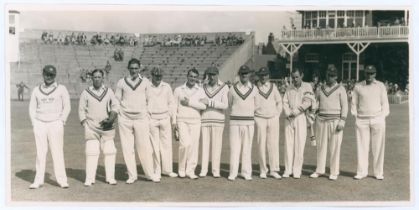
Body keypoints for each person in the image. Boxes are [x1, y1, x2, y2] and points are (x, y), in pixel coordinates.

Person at [115, 58, 159, 183]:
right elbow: (117, 99)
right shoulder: (121, 82)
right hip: (125, 118)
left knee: (144, 147)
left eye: (136, 68)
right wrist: (119, 113)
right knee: (127, 148)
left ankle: (149, 174)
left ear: (139, 68)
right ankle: (132, 175)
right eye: (132, 68)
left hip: (141, 118)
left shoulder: (145, 82)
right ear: (128, 68)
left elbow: (150, 99)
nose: (134, 70)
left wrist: (147, 113)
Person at [28, 65, 71, 189]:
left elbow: (67, 106)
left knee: (57, 151)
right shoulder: (36, 90)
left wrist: (62, 120)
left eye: (51, 75)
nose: (49, 77)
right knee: (40, 152)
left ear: (55, 75)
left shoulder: (61, 89)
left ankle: (62, 180)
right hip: (40, 123)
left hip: (55, 123)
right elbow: (32, 108)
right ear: (43, 74)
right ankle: (38, 180)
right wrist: (34, 122)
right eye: (47, 74)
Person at [78, 69, 119, 186]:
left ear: (103, 78)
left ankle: (110, 178)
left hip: (107, 127)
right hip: (91, 127)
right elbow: (81, 110)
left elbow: (115, 106)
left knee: (110, 151)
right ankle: (90, 178)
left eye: (99, 77)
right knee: (91, 152)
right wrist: (85, 123)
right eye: (94, 77)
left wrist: (111, 118)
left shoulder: (109, 91)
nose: (97, 79)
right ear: (91, 78)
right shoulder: (86, 92)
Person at [351, 65, 389, 180]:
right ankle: (362, 172)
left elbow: (385, 104)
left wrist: (382, 117)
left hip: (378, 119)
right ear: (364, 73)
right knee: (362, 147)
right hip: (362, 120)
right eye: (367, 73)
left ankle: (378, 173)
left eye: (372, 73)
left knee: (378, 147)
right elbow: (354, 104)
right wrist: (356, 117)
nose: (369, 76)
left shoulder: (381, 86)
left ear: (375, 74)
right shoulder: (358, 86)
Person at [310, 66, 348, 180]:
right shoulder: (320, 88)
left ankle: (334, 171)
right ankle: (320, 170)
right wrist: (312, 112)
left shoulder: (341, 89)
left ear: (336, 76)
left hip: (335, 121)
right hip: (321, 120)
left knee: (334, 147)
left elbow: (345, 106)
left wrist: (343, 120)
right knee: (321, 146)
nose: (329, 78)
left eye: (332, 76)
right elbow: (316, 103)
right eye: (328, 75)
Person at [173, 68, 207, 179]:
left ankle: (190, 170)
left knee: (193, 146)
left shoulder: (201, 90)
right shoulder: (178, 90)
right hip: (182, 120)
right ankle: (181, 169)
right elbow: (174, 107)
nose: (193, 78)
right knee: (185, 144)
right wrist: (174, 122)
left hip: (196, 121)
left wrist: (189, 103)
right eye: (191, 76)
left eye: (195, 77)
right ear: (187, 76)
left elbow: (203, 106)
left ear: (197, 78)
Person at [283, 68, 315, 179]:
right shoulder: (289, 88)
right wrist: (288, 112)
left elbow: (308, 102)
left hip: (300, 117)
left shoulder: (307, 87)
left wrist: (295, 112)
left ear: (301, 75)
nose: (295, 79)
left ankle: (297, 170)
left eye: (297, 77)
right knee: (288, 144)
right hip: (289, 118)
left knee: (299, 145)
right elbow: (285, 102)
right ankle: (288, 170)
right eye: (293, 77)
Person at [227, 65, 258, 181]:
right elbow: (230, 104)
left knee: (247, 148)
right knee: (235, 148)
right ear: (239, 75)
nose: (244, 75)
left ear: (249, 74)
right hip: (235, 122)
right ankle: (233, 173)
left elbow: (256, 105)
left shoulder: (254, 89)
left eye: (246, 73)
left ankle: (246, 172)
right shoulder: (232, 89)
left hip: (249, 123)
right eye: (242, 73)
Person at [146, 67, 178, 179]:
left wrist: (172, 119)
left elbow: (172, 103)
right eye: (156, 76)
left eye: (160, 76)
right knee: (155, 146)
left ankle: (167, 170)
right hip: (152, 119)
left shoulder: (167, 87)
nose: (158, 78)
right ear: (152, 76)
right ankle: (157, 170)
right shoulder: (147, 87)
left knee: (166, 145)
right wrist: (148, 116)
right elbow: (144, 103)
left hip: (165, 118)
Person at [199, 66, 229, 178]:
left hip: (218, 120)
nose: (211, 77)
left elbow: (225, 105)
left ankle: (215, 170)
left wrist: (210, 102)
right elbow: (200, 101)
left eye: (213, 74)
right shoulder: (203, 86)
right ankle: (204, 169)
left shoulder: (224, 87)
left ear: (217, 75)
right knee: (205, 146)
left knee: (217, 146)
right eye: (209, 74)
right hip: (205, 119)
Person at [254, 67, 283, 179]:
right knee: (261, 144)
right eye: (261, 75)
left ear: (268, 76)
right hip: (260, 118)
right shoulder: (255, 88)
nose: (263, 77)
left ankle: (273, 169)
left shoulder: (273, 87)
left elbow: (279, 101)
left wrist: (277, 115)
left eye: (265, 75)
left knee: (273, 144)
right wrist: (255, 117)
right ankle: (263, 169)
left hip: (272, 118)